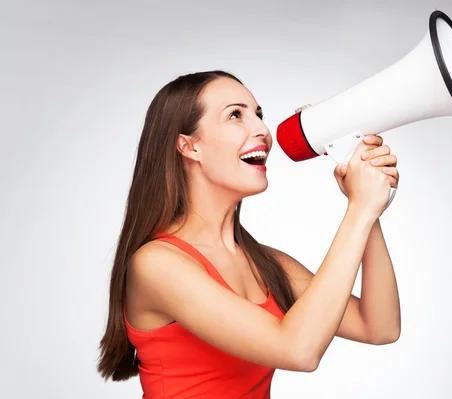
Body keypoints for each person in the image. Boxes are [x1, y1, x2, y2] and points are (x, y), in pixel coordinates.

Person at [97, 70, 401, 398]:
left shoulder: (266, 263)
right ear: (189, 147)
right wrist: (359, 209)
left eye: (259, 115)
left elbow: (379, 326)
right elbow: (298, 350)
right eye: (236, 115)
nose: (262, 130)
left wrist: (370, 206)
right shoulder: (157, 265)